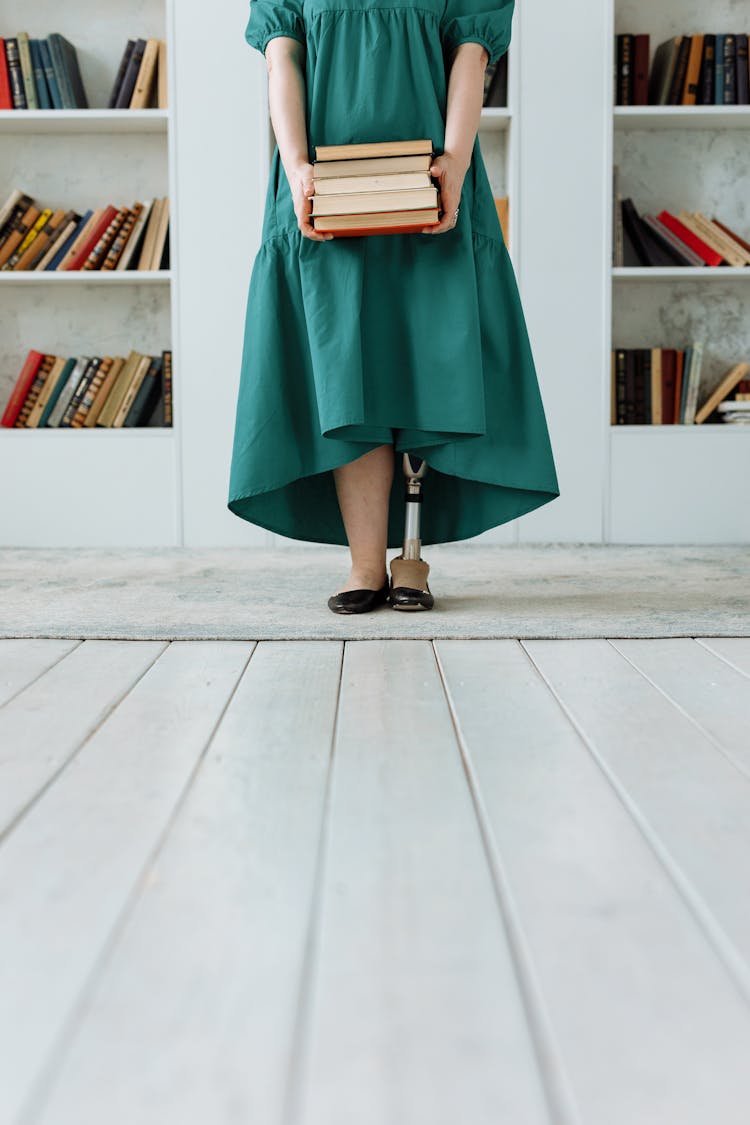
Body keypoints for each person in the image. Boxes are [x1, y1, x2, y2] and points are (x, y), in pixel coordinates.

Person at [227, 0, 560, 614]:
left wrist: (455, 163)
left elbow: (471, 53)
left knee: (426, 356)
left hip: (430, 178)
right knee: (346, 367)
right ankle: (365, 565)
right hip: (323, 185)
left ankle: (410, 555)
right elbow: (283, 56)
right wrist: (297, 167)